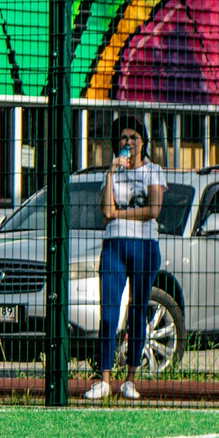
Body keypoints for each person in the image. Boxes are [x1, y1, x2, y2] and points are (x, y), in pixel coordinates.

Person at [85, 117, 167, 402]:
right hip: (114, 247)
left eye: (134, 137)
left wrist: (119, 214)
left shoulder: (154, 171)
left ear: (143, 141)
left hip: (145, 247)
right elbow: (106, 208)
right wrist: (110, 172)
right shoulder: (114, 173)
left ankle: (130, 378)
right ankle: (105, 378)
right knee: (108, 311)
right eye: (123, 138)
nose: (128, 143)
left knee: (137, 310)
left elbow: (154, 209)